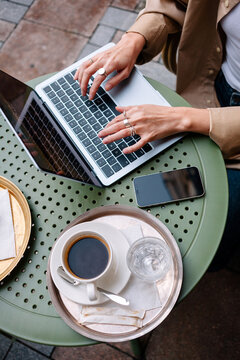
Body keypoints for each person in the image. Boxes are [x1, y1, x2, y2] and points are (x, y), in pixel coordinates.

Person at [75, 0, 240, 270]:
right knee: (148, 187)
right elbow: (176, 3)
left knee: (208, 233)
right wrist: (134, 38)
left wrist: (181, 118)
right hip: (211, 89)